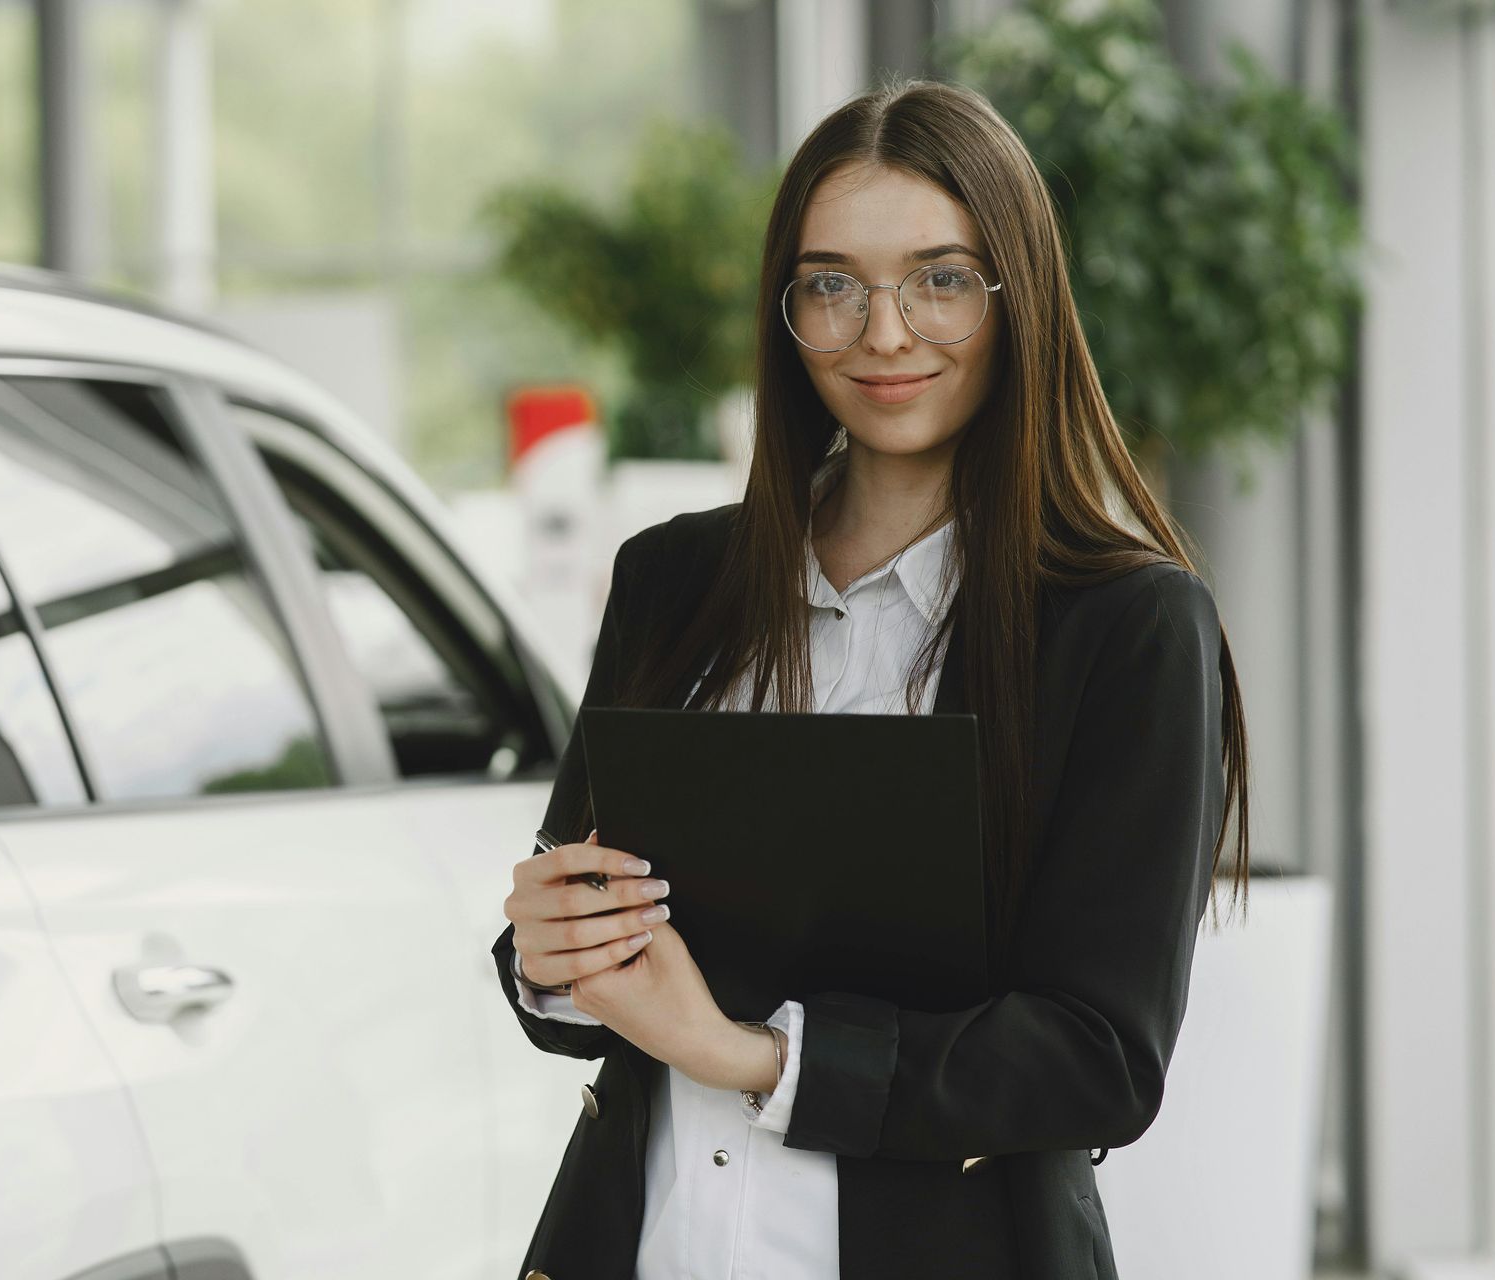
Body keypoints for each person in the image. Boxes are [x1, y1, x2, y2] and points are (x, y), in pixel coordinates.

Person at [492, 76, 1251, 1280]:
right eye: (832, 284)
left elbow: (1098, 1054)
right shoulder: (671, 578)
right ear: (786, 308)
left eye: (941, 279)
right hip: (650, 1241)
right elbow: (578, 932)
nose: (883, 332)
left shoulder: (1127, 625)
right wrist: (547, 949)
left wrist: (754, 1056)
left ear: (1018, 299)